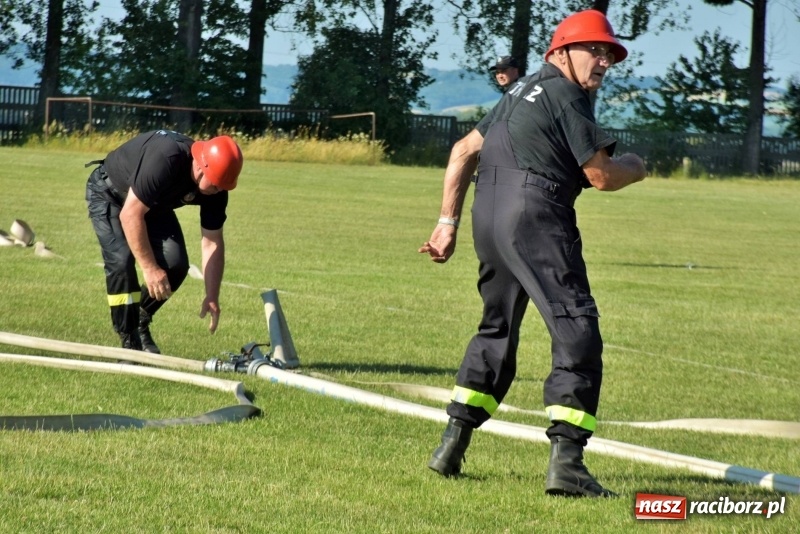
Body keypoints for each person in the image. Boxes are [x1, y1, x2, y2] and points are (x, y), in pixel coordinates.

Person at [419, 9, 647, 498]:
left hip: (489, 215)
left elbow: (463, 150)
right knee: (576, 327)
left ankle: (451, 445)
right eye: (595, 49)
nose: (604, 60)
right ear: (561, 52)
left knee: (496, 327)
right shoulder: (567, 94)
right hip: (536, 215)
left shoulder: (518, 92)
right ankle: (568, 465)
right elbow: (601, 175)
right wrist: (636, 166)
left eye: (610, 53)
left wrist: (446, 223)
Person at [85, 130, 243, 354]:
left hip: (152, 204)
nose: (220, 191)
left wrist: (212, 294)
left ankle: (140, 319)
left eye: (224, 186)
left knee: (175, 264)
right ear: (200, 167)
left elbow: (212, 242)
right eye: (217, 184)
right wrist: (149, 268)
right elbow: (130, 214)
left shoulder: (218, 188)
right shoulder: (167, 159)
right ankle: (129, 340)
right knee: (122, 261)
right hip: (109, 193)